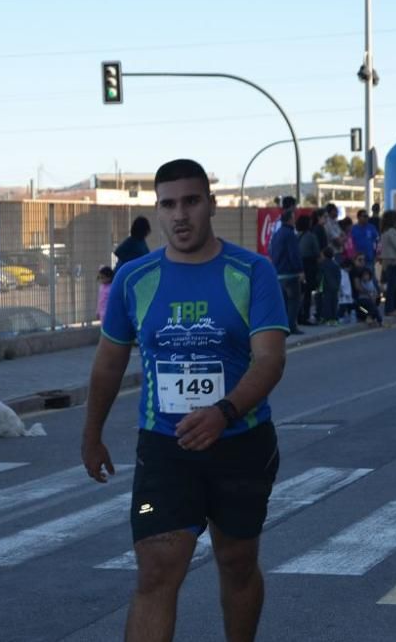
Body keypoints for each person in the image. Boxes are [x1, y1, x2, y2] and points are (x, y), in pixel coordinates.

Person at [81, 158, 288, 642]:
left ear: (211, 205)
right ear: (157, 210)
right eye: (169, 204)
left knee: (236, 562)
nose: (180, 215)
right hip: (165, 449)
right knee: (156, 570)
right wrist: (91, 435)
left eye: (191, 201)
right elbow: (108, 363)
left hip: (241, 443)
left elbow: (270, 361)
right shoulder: (134, 278)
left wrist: (224, 413)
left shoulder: (252, 272)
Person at [269, 208, 303, 334]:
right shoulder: (290, 234)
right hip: (290, 273)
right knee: (294, 300)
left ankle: (282, 326)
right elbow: (294, 254)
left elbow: (271, 251)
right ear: (290, 219)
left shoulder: (277, 234)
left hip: (279, 272)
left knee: (283, 301)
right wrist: (299, 270)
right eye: (294, 218)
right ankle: (291, 326)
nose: (295, 220)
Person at [379, 210, 396, 315]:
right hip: (393, 261)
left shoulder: (385, 231)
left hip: (388, 261)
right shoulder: (392, 232)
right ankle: (390, 309)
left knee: (393, 286)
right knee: (393, 287)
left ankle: (394, 308)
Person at [297, 214, 320, 326]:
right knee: (307, 292)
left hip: (298, 265)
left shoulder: (296, 236)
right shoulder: (311, 236)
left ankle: (298, 315)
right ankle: (305, 316)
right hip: (309, 265)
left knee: (300, 292)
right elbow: (316, 251)